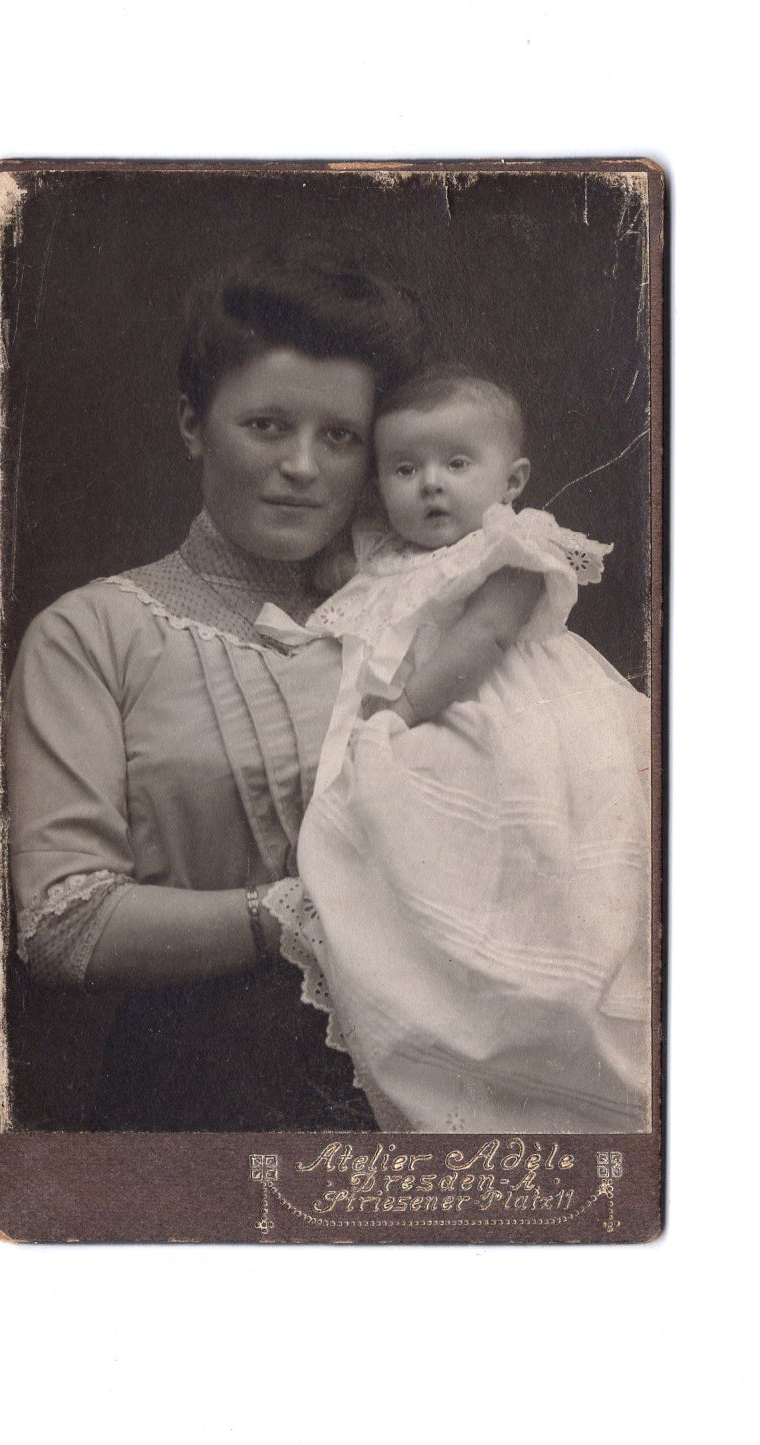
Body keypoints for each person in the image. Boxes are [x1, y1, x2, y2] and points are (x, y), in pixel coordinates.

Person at [5, 250, 424, 1130]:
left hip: (428, 1075)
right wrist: (287, 916)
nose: (303, 466)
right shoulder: (91, 634)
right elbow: (62, 922)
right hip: (198, 1088)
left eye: (339, 436)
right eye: (267, 425)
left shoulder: (414, 620)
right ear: (193, 425)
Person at [260, 368, 651, 1134]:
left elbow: (485, 636)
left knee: (531, 856)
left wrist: (403, 709)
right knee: (398, 864)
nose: (430, 487)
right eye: (404, 470)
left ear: (512, 479)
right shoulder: (382, 558)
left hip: (509, 723)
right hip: (422, 730)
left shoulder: (511, 545)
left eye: (455, 465)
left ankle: (538, 1027)